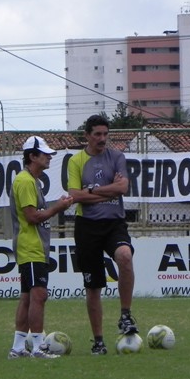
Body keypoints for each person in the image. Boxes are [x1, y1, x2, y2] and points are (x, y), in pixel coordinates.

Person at [67, 114, 138, 355]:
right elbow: (75, 195)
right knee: (93, 286)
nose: (102, 139)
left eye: (105, 134)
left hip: (114, 223)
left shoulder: (117, 157)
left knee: (125, 257)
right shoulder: (76, 161)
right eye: (97, 134)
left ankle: (125, 315)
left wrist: (94, 190)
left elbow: (123, 188)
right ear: (86, 135)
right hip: (86, 226)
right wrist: (108, 192)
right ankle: (98, 341)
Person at [8, 135, 73, 359]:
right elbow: (32, 216)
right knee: (39, 295)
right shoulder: (25, 181)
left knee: (27, 296)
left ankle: (17, 348)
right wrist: (59, 207)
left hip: (32, 247)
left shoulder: (31, 181)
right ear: (32, 156)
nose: (49, 158)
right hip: (31, 247)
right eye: (44, 154)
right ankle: (37, 347)